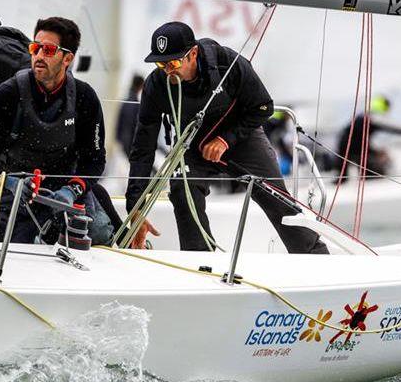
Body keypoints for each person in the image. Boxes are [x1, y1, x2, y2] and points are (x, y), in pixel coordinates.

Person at [125, 21, 328, 253]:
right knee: (183, 192)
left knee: (276, 198)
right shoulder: (157, 85)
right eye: (161, 64)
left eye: (173, 62)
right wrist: (135, 208)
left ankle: (314, 255)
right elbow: (143, 146)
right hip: (192, 146)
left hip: (242, 138)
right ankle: (200, 262)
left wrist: (226, 140)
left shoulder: (228, 64)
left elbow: (263, 107)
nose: (168, 70)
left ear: (192, 54)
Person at [0, 17, 113, 244]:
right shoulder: (7, 94)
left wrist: (72, 190)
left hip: (64, 195)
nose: (38, 56)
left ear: (68, 58)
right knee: (4, 255)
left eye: (48, 50)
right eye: (35, 48)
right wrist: (11, 183)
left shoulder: (85, 98)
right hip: (16, 196)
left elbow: (94, 161)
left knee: (102, 236)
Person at [333, 96, 401, 178]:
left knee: (344, 177)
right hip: (355, 148)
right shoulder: (373, 118)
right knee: (374, 168)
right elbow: (392, 128)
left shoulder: (364, 115)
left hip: (346, 147)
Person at [115, 74, 145, 158]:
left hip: (123, 142)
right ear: (141, 86)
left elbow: (119, 123)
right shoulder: (135, 104)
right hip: (129, 144)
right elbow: (132, 125)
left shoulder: (126, 102)